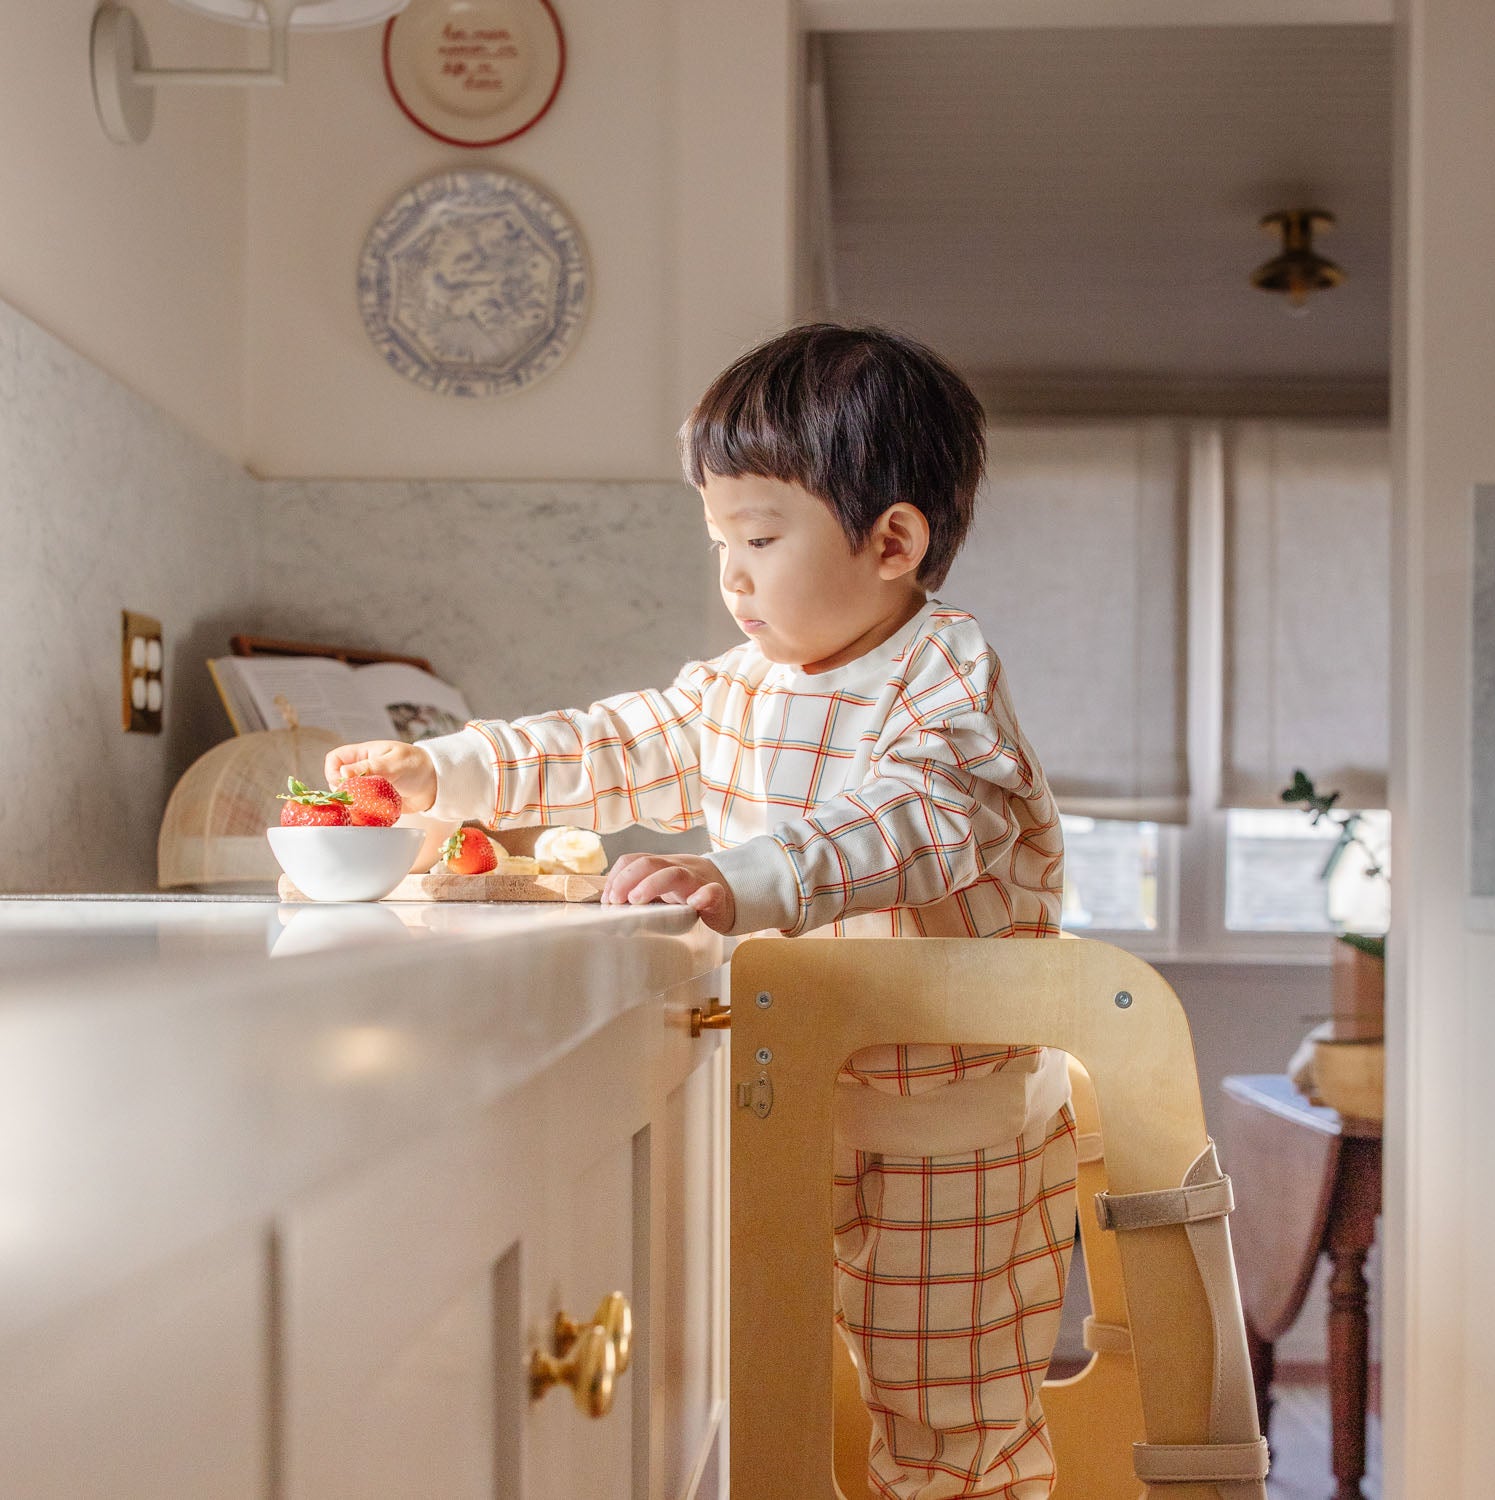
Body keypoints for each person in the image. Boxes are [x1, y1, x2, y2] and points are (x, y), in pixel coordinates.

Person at [326, 323, 1074, 1499]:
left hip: (951, 1128)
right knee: (742, 1380)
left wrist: (744, 878)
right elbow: (606, 746)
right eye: (718, 538)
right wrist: (454, 772)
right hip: (781, 1103)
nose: (730, 573)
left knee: (951, 1420)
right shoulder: (733, 690)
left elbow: (923, 818)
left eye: (761, 537)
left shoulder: (946, 677)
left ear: (892, 541)